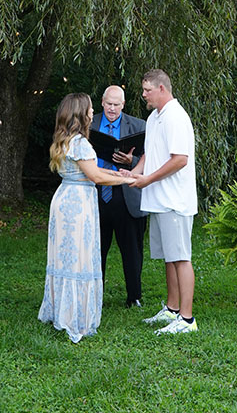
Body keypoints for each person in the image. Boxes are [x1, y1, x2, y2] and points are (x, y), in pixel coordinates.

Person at [38, 92, 136, 343]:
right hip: (78, 205)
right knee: (78, 258)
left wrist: (123, 174)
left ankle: (62, 310)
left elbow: (92, 170)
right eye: (91, 109)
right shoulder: (80, 142)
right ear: (82, 113)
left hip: (64, 199)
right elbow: (96, 177)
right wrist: (127, 179)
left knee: (65, 257)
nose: (93, 113)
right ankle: (75, 317)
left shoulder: (64, 139)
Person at [130, 68, 198, 335]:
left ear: (161, 89)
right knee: (169, 258)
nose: (143, 94)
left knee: (181, 257)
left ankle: (187, 319)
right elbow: (150, 154)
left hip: (175, 201)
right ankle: (171, 309)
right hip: (159, 200)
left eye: (147, 89)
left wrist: (148, 180)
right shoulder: (154, 117)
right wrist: (133, 174)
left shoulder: (176, 118)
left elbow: (180, 159)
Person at [90, 85, 147, 308]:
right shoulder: (89, 123)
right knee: (95, 247)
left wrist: (130, 162)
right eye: (109, 104)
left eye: (117, 104)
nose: (112, 109)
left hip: (126, 194)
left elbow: (149, 158)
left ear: (123, 105)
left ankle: (134, 296)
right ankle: (95, 293)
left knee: (132, 248)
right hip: (96, 194)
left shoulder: (138, 126)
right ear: (102, 102)